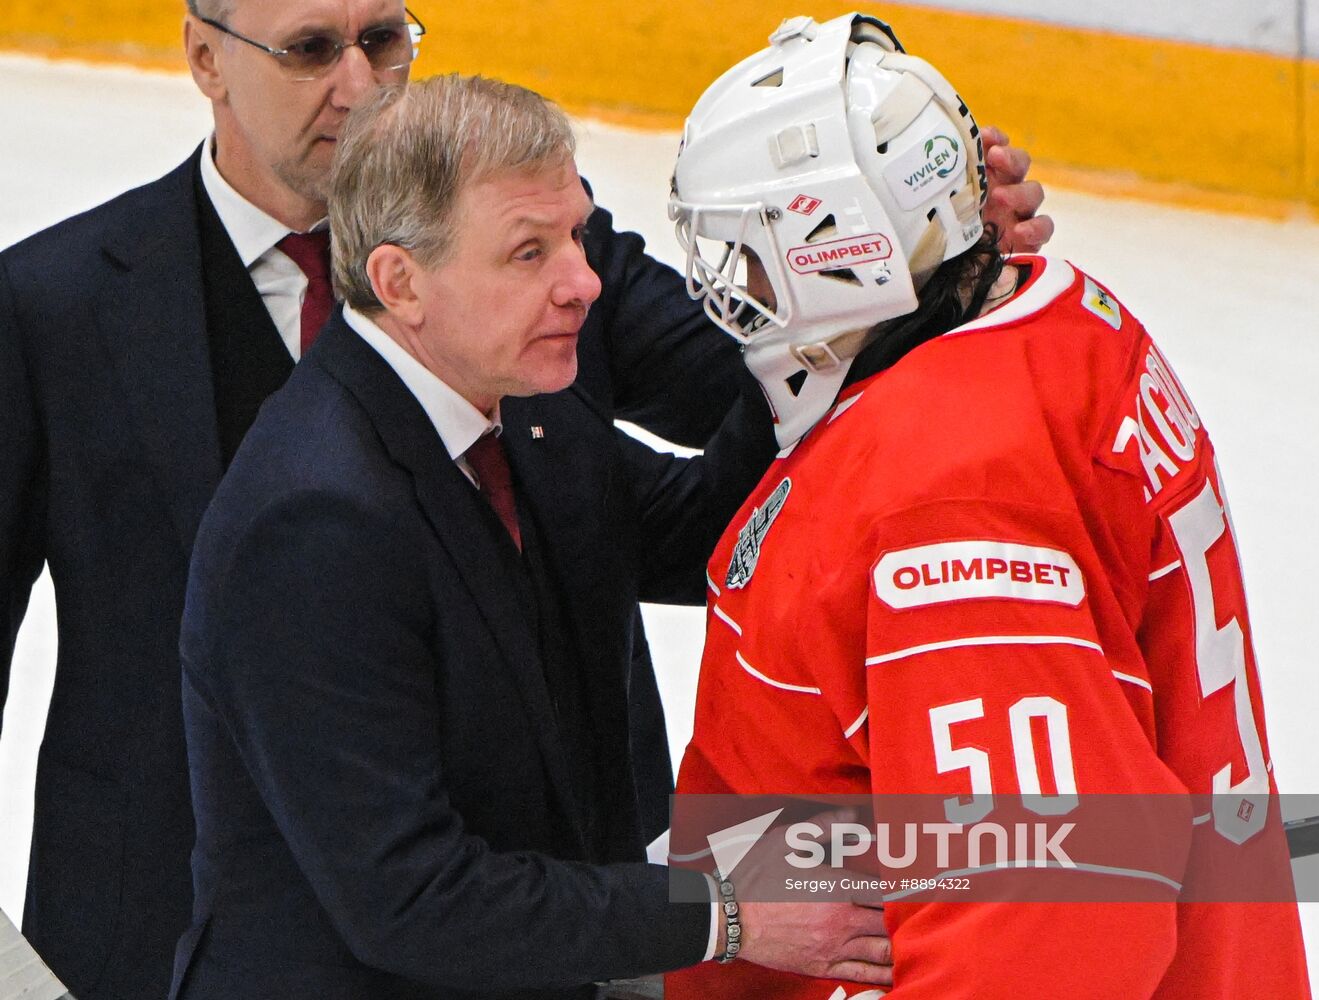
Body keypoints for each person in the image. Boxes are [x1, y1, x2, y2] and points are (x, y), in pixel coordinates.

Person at [0, 0, 1046, 993]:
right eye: (312, 46)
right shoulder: (290, 486)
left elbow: (714, 509)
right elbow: (411, 892)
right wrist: (724, 913)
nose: (359, 84)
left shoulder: (526, 386)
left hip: (558, 920)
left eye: (383, 38)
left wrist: (910, 265)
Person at [170, 73, 900, 998]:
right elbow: (412, 897)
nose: (584, 283)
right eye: (528, 252)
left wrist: (851, 311)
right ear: (401, 283)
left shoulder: (521, 408)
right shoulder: (316, 520)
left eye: (577, 235)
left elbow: (703, 539)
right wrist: (728, 914)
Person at [665, 13, 1311, 999]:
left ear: (847, 250)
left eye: (749, 250)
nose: (730, 285)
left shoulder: (942, 495)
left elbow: (1053, 919)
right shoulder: (1052, 319)